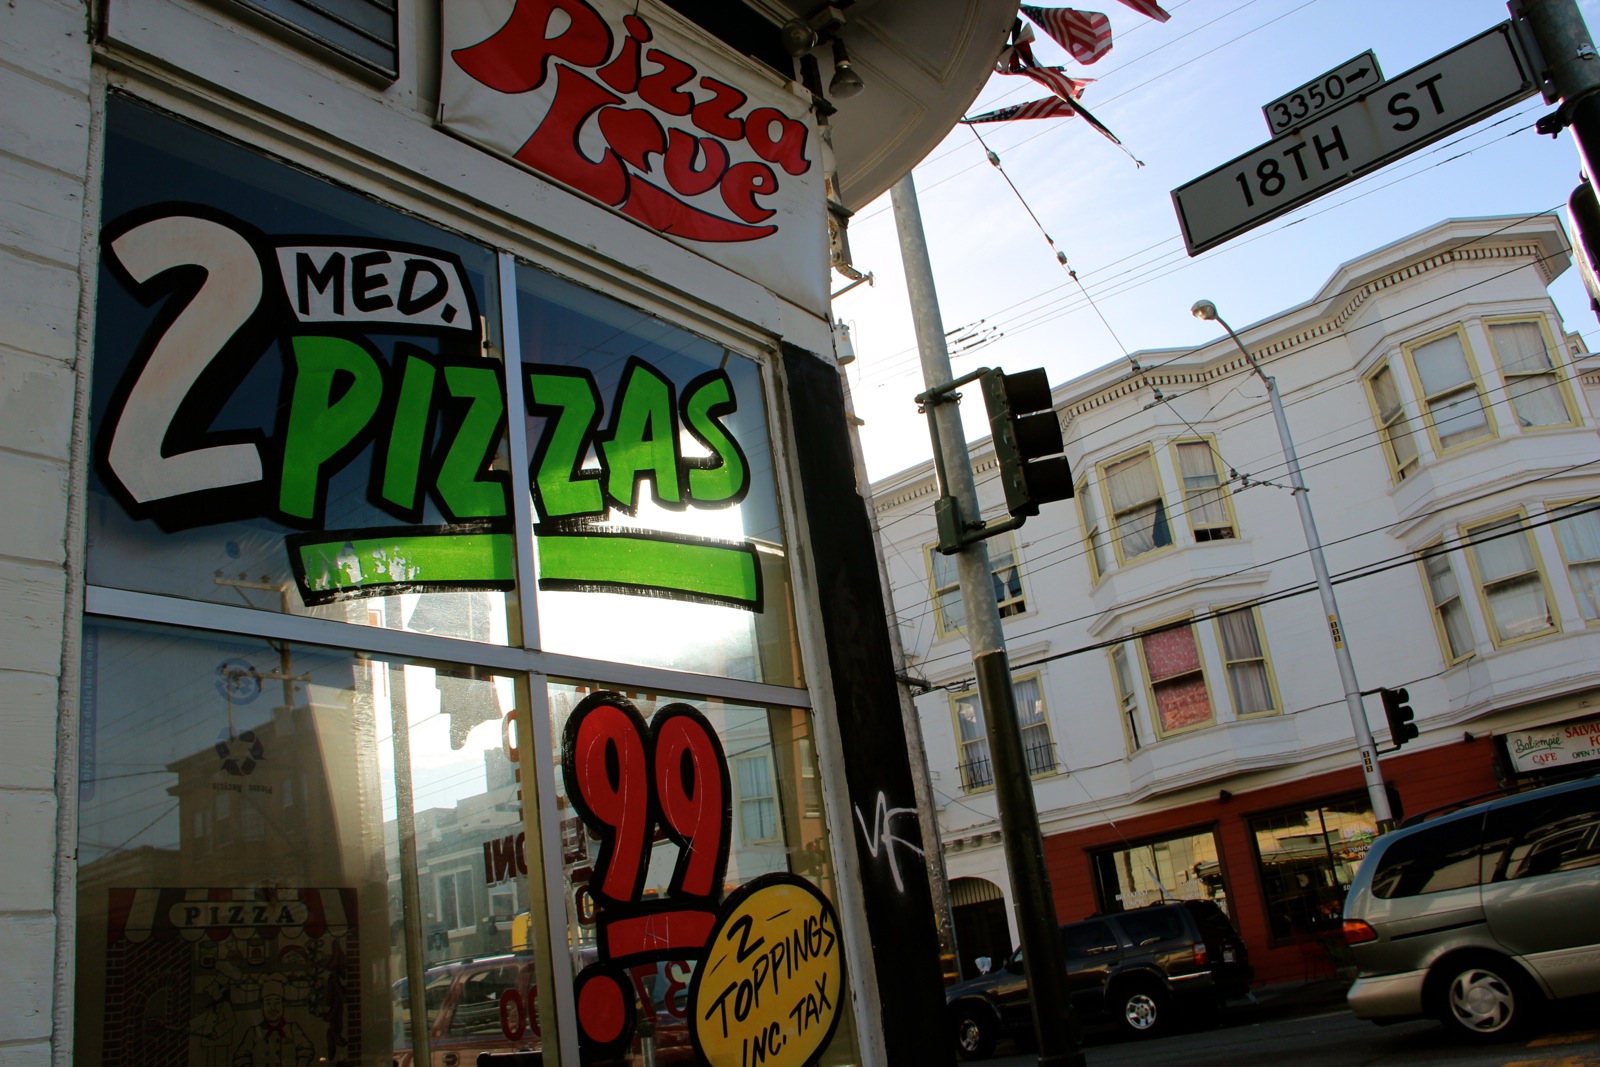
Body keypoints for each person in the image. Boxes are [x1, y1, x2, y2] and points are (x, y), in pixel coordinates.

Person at [232, 979, 314, 1067]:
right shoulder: (254, 1032)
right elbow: (241, 1056)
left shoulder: (292, 1028)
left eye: (277, 1003)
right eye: (268, 1003)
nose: (273, 1008)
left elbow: (306, 1048)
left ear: (283, 1004)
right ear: (262, 1006)